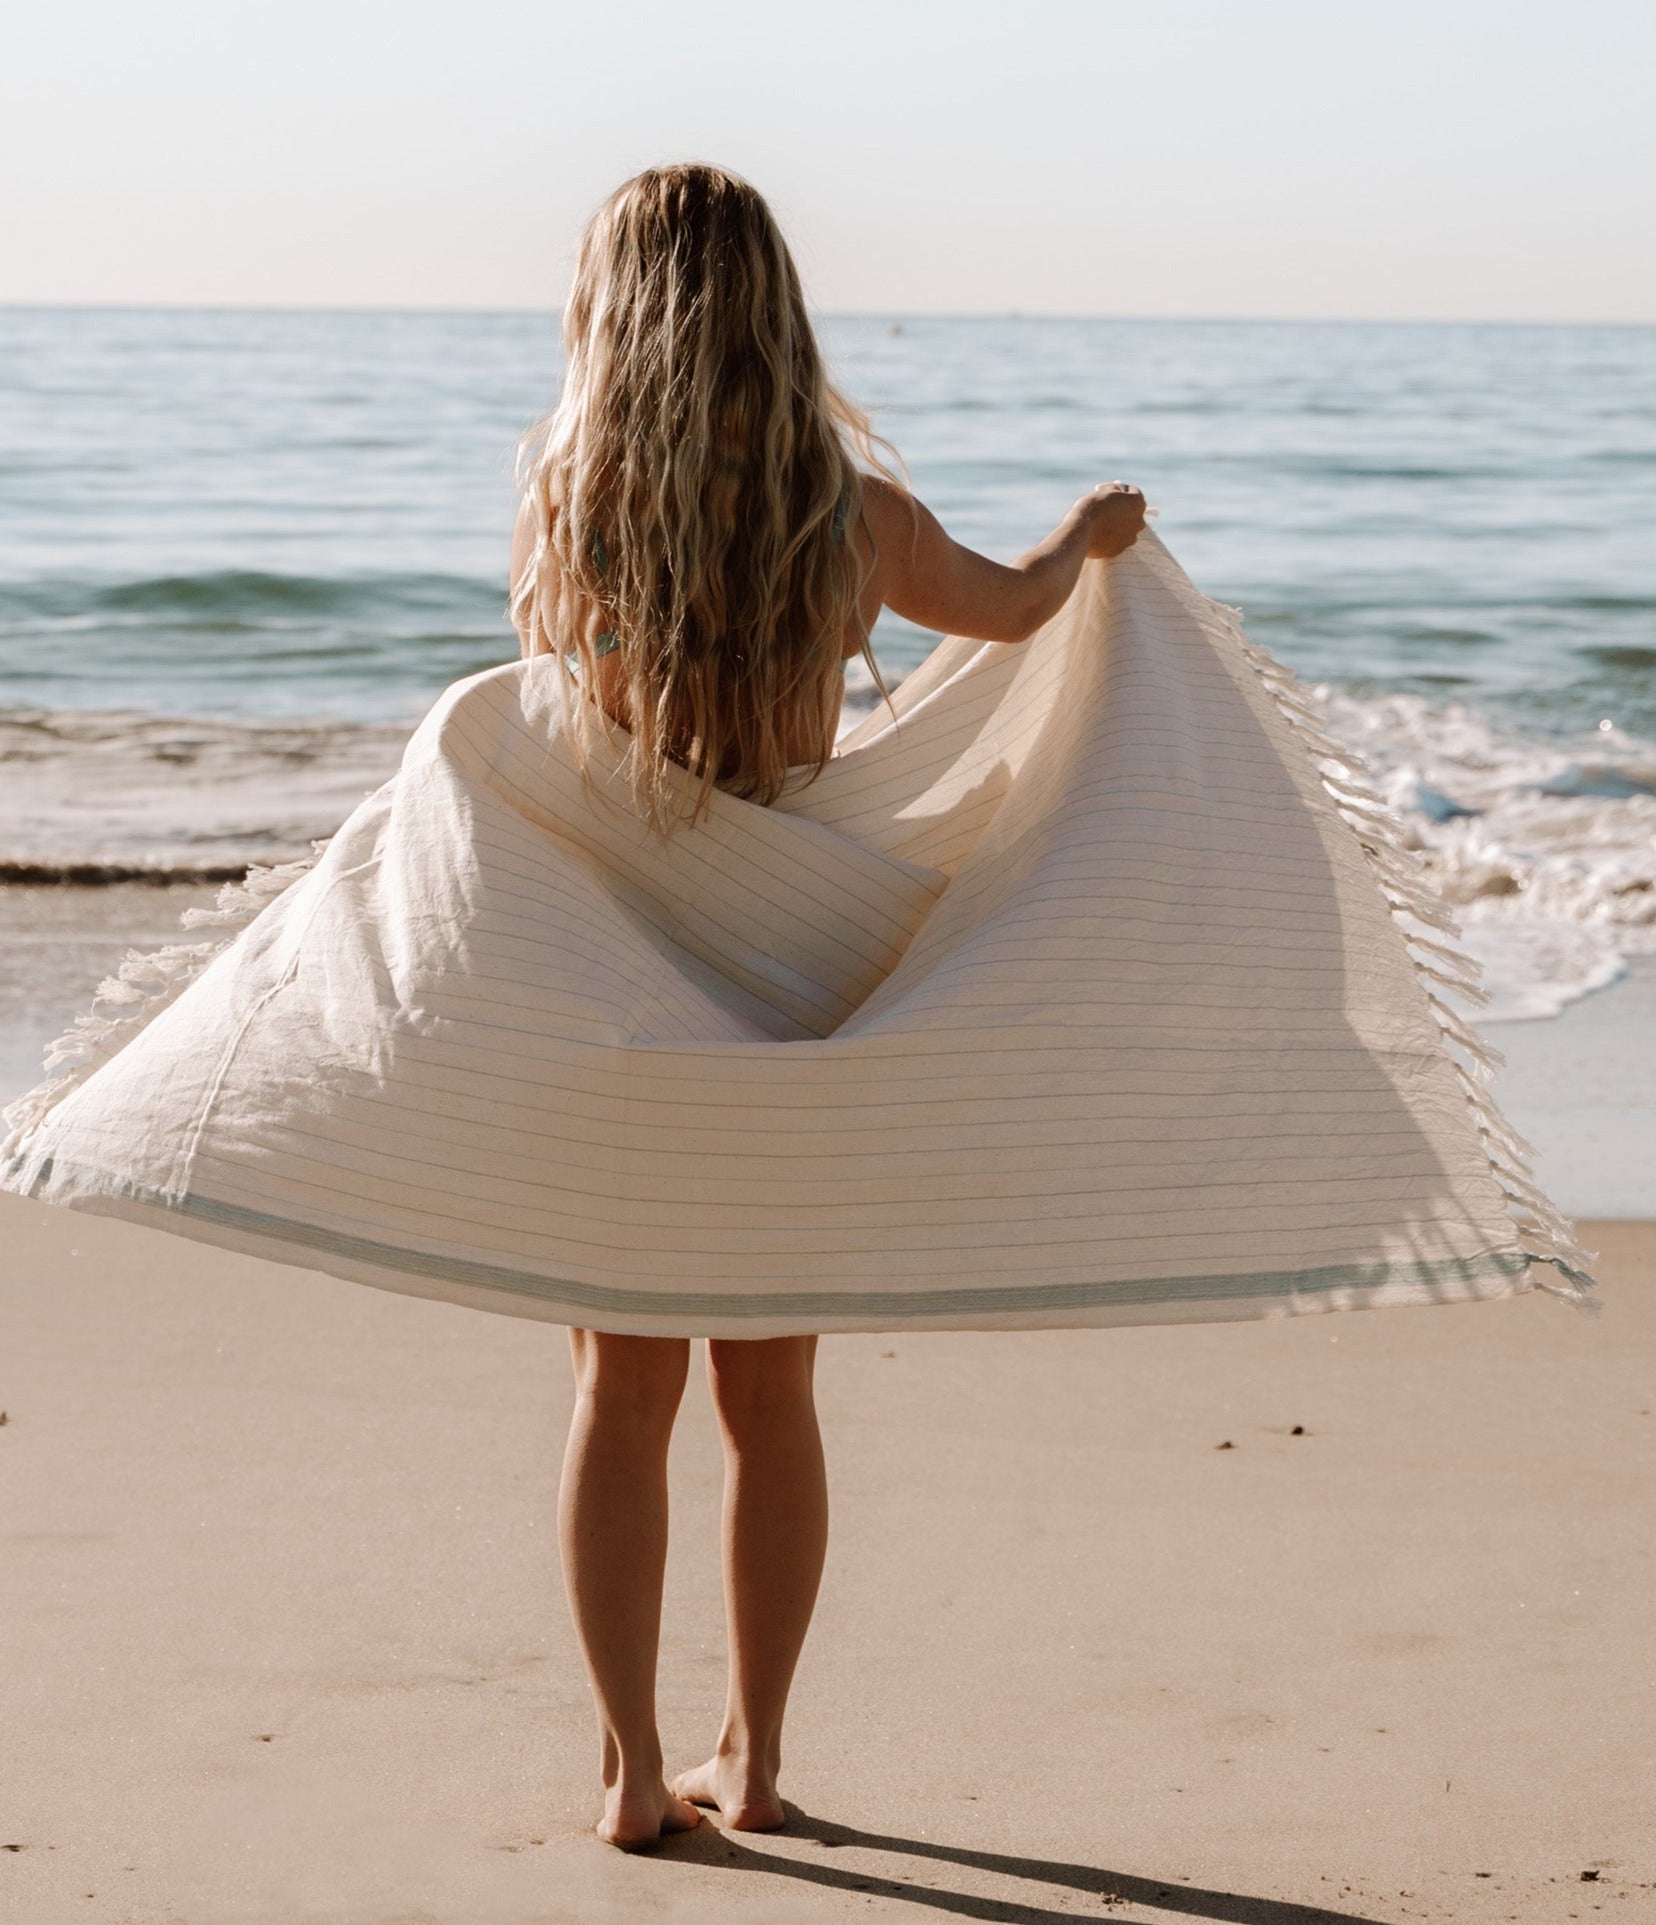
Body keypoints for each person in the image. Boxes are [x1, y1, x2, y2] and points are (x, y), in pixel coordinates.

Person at [507, 162, 1147, 1850]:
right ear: (773, 313)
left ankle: (634, 1772)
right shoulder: (849, 521)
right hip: (787, 1000)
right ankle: (759, 1756)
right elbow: (1013, 618)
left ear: (614, 320)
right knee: (768, 1392)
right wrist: (1081, 537)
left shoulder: (581, 507)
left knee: (615, 1388)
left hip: (626, 991)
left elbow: (562, 732)